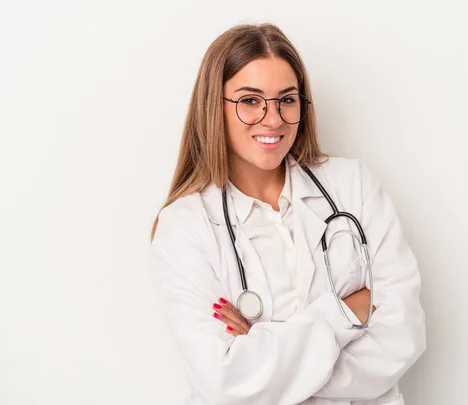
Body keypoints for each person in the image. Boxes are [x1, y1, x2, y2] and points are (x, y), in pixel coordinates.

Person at [148, 23, 426, 405]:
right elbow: (225, 380)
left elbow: (403, 337)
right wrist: (343, 312)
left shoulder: (353, 186)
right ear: (215, 106)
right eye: (250, 100)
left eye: (287, 99)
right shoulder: (184, 225)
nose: (273, 119)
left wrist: (270, 363)